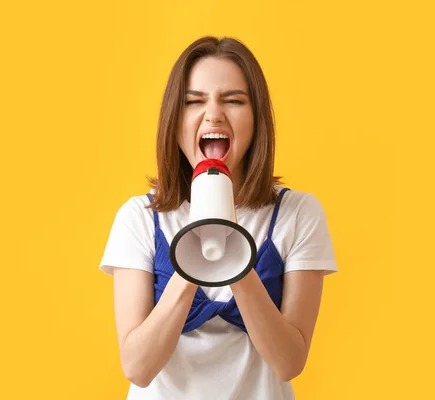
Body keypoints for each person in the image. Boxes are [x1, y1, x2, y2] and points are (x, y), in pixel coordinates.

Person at [99, 36, 338, 400]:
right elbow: (138, 367)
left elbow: (289, 362)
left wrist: (234, 257)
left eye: (234, 101)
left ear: (257, 119)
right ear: (173, 120)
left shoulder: (298, 214)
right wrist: (195, 252)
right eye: (194, 101)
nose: (213, 114)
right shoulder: (139, 218)